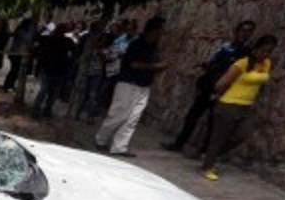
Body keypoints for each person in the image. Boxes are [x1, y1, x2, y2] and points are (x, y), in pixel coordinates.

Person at [163, 19, 256, 153]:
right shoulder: (226, 47)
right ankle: (179, 143)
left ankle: (203, 151)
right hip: (208, 86)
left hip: (223, 90)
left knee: (212, 123)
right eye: (243, 30)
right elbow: (215, 62)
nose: (245, 34)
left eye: (249, 31)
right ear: (236, 31)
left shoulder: (246, 53)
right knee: (192, 116)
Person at [200, 34, 277, 181]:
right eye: (264, 50)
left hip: (246, 106)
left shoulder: (266, 63)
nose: (266, 54)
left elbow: (264, 79)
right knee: (218, 137)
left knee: (242, 135)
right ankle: (208, 166)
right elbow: (221, 84)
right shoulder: (242, 64)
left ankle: (210, 155)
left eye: (270, 51)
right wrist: (217, 97)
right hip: (229, 104)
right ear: (256, 48)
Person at [95, 16, 168, 157]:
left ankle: (119, 147)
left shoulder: (154, 47)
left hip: (143, 86)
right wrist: (156, 66)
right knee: (118, 114)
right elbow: (133, 64)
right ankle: (101, 139)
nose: (163, 33)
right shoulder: (137, 44)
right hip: (128, 84)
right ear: (154, 30)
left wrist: (159, 67)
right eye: (161, 29)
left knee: (133, 118)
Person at [31, 23, 75, 118]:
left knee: (46, 90)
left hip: (52, 68)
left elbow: (36, 39)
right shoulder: (66, 41)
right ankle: (45, 110)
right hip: (56, 69)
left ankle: (39, 109)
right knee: (50, 91)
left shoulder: (53, 39)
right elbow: (75, 52)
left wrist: (41, 30)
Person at [3, 18, 35, 92]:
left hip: (19, 53)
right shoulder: (21, 31)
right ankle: (7, 85)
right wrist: (32, 32)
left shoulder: (23, 30)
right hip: (16, 53)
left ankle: (10, 85)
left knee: (15, 70)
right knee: (14, 70)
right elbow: (28, 39)